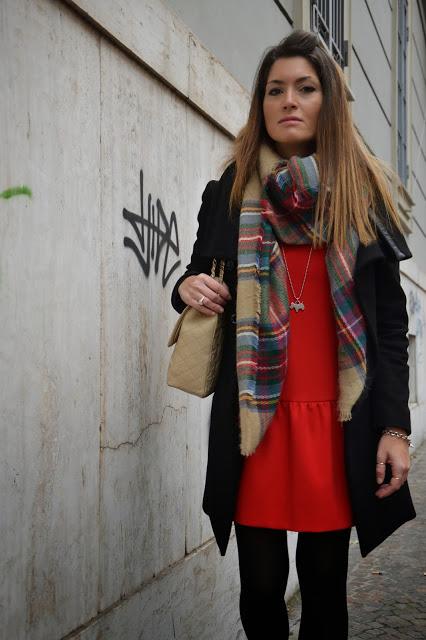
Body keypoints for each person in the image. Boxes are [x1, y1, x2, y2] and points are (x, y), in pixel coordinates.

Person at [170, 29, 416, 640]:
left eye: (305, 88)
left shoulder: (363, 200)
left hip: (336, 423)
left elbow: (390, 327)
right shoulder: (226, 196)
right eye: (275, 89)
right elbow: (197, 269)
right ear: (261, 105)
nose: (289, 100)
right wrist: (184, 288)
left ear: (326, 103)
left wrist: (394, 429)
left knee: (327, 587)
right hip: (255, 420)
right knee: (258, 587)